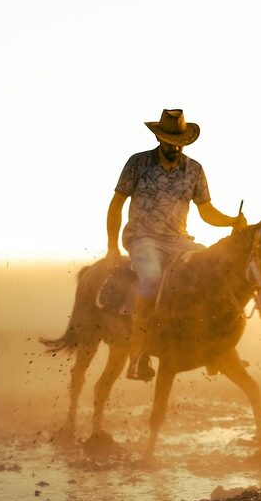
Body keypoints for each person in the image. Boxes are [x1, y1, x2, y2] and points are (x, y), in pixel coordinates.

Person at [105, 109, 246, 381]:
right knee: (152, 277)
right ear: (159, 138)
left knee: (212, 270)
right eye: (170, 140)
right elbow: (116, 205)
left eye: (180, 141)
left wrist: (231, 221)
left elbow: (206, 211)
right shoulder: (137, 163)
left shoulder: (194, 170)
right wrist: (113, 247)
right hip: (143, 237)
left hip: (179, 241)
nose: (176, 146)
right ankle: (139, 354)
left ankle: (213, 349)